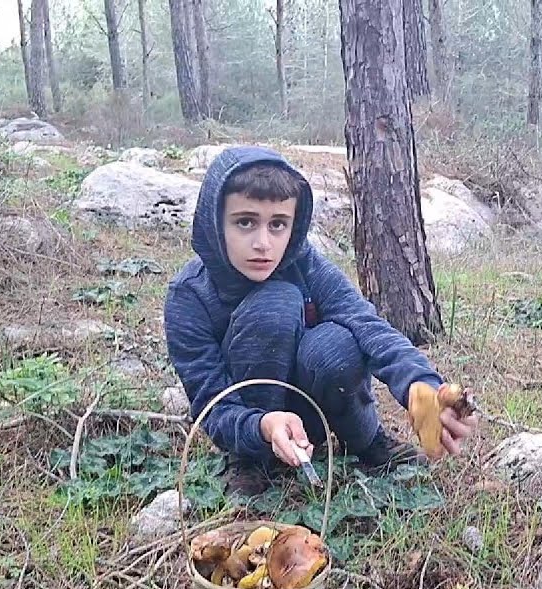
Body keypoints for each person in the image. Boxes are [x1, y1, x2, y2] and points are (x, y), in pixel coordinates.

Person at [163, 145, 480, 497]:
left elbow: (365, 323)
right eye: (245, 222)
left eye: (278, 224)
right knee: (276, 303)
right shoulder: (188, 296)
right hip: (250, 421)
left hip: (310, 407)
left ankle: (368, 442)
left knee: (335, 344)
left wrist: (419, 384)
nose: (263, 243)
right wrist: (260, 426)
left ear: (294, 225)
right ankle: (251, 461)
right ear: (214, 221)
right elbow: (213, 404)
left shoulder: (305, 263)